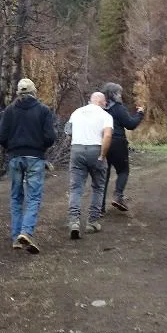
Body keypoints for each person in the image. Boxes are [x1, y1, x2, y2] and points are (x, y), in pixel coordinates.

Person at [0, 77, 57, 253]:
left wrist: (11, 148)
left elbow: (1, 136)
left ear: (18, 93)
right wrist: (41, 147)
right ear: (34, 92)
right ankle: (26, 231)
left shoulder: (9, 111)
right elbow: (50, 137)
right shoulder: (43, 110)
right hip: (35, 157)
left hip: (15, 157)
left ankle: (16, 237)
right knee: (34, 196)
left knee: (16, 196)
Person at [64, 91, 114, 239]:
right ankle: (92, 222)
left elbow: (68, 132)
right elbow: (107, 135)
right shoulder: (106, 116)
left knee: (75, 188)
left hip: (77, 149)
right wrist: (102, 155)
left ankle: (74, 221)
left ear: (90, 100)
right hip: (95, 149)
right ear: (102, 102)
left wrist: (76, 145)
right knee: (98, 187)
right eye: (105, 102)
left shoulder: (76, 112)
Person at [101, 82, 145, 212]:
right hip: (118, 143)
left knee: (104, 175)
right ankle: (118, 196)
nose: (120, 96)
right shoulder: (118, 108)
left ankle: (99, 207)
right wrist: (140, 114)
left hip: (102, 143)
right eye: (119, 93)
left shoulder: (100, 108)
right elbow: (130, 124)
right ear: (114, 94)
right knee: (123, 171)